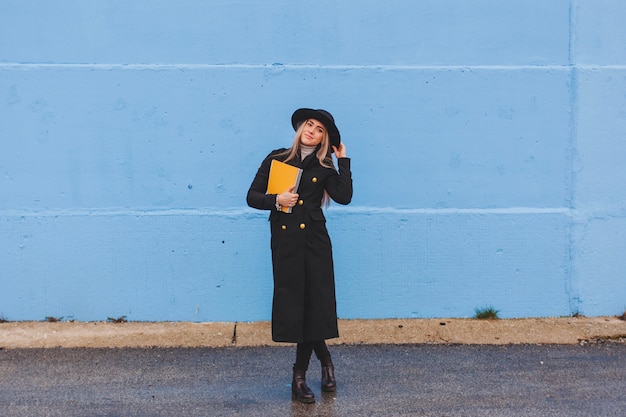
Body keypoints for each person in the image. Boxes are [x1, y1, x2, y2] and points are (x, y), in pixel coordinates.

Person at [246, 108, 353, 403]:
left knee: (314, 305)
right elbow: (251, 197)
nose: (312, 131)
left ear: (323, 138)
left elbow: (344, 197)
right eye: (309, 125)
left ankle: (299, 377)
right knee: (296, 306)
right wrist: (276, 200)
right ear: (301, 128)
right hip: (286, 242)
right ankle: (327, 362)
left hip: (316, 243)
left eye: (319, 129)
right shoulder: (277, 158)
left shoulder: (326, 167)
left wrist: (342, 160)